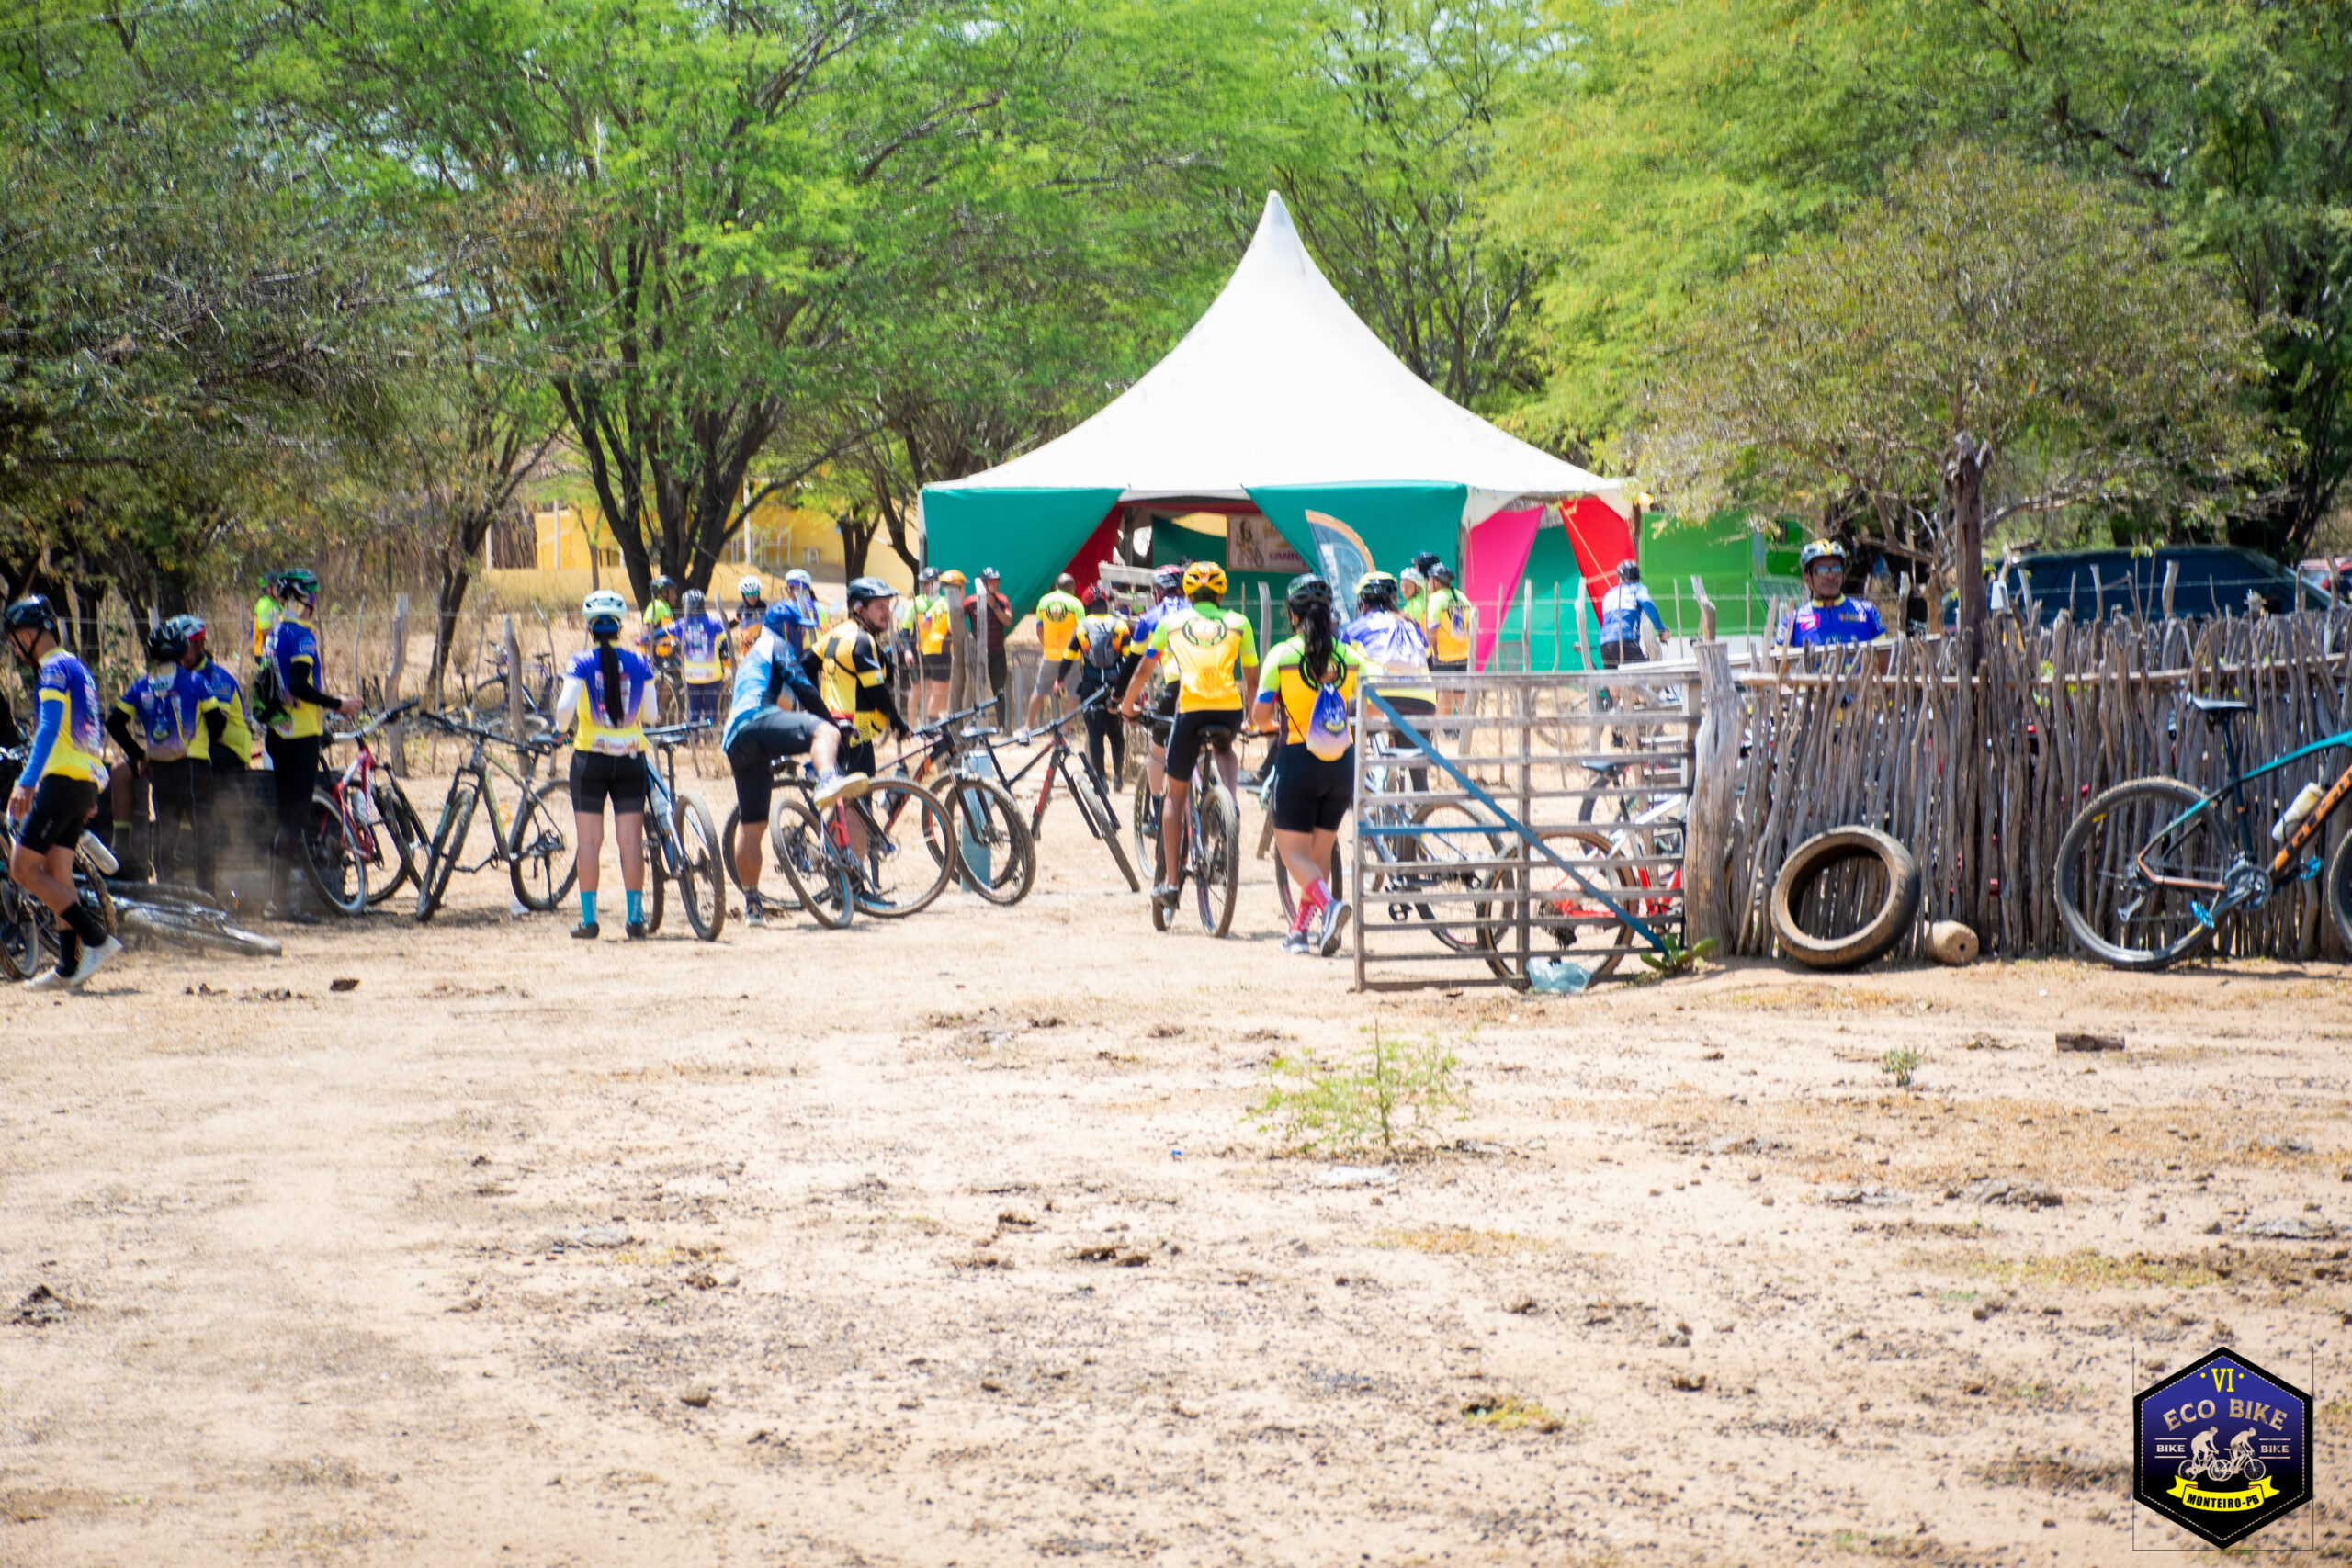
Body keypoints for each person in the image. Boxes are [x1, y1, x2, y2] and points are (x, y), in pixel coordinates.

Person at [1120, 561, 1257, 922]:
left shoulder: (1169, 623)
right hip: (1229, 709)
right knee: (1225, 748)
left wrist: (1127, 706)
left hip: (1190, 709)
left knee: (1174, 797)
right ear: (1222, 593)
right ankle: (1230, 802)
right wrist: (1255, 720)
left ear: (1187, 594)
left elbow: (1143, 670)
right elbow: (1253, 679)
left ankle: (1169, 881)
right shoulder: (1240, 623)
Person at [5, 596, 122, 989]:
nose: (15, 648)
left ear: (28, 634)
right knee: (58, 872)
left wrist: (27, 780)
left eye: (15, 639)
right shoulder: (78, 667)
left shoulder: (52, 668)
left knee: (23, 868)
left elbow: (49, 728)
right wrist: (93, 785)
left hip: (61, 780)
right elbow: (90, 730)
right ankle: (69, 968)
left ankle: (96, 939)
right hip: (83, 780)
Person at [723, 601, 860, 927]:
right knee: (824, 730)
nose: (803, 634)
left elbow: (789, 706)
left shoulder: (752, 661)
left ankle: (753, 906)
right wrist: (833, 725)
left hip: (736, 738)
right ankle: (828, 781)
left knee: (752, 826)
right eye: (799, 628)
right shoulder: (773, 642)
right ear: (785, 627)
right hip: (759, 720)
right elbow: (804, 689)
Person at [1251, 574, 1363, 956]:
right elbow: (1373, 706)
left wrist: (1270, 727)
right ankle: (1299, 931)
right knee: (1319, 854)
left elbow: (1260, 715)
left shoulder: (1282, 656)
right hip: (1342, 762)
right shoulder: (1350, 657)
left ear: (1292, 615)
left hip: (1299, 758)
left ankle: (1329, 906)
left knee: (1293, 854)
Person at [555, 589, 659, 940]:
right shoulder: (640, 662)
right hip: (631, 758)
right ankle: (634, 919)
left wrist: (559, 731)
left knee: (589, 843)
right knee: (631, 843)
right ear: (618, 626)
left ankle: (589, 921)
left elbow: (563, 711)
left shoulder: (580, 662)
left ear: (589, 626)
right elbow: (652, 714)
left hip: (590, 760)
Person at [262, 569, 362, 922]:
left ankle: (276, 900)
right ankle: (281, 903)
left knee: (286, 819)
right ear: (304, 601)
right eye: (313, 598)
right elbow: (302, 686)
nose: (315, 605)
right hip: (301, 736)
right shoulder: (302, 635)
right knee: (294, 819)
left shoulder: (274, 634)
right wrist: (339, 704)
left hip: (277, 734)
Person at [107, 623, 218, 888]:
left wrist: (138, 754)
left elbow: (113, 723)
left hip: (159, 769)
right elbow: (217, 725)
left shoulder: (141, 685)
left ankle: (166, 896)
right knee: (204, 835)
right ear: (182, 651)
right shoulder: (196, 681)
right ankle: (208, 898)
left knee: (164, 835)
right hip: (194, 767)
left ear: (152, 655)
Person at [809, 579, 913, 854]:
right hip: (854, 733)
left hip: (834, 729)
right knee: (858, 807)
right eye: (879, 607)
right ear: (859, 609)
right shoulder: (860, 641)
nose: (887, 613)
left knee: (846, 805)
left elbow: (805, 664)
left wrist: (816, 707)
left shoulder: (837, 633)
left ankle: (840, 868)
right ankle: (854, 882)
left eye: (888, 606)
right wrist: (898, 723)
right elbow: (877, 691)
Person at [174, 613, 253, 897]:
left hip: (228, 748)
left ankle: (191, 845)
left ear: (200, 644)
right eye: (175, 649)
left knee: (185, 770)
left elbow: (214, 730)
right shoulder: (177, 676)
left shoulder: (217, 679)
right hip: (201, 749)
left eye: (185, 648)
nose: (180, 655)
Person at [1114, 563, 1189, 837]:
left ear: (1157, 592)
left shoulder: (1152, 618)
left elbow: (1134, 667)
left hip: (1177, 686)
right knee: (1201, 748)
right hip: (1213, 690)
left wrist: (1120, 700)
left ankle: (1157, 816)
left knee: (1158, 750)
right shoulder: (1197, 613)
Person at [1073, 588, 1130, 784]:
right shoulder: (1120, 625)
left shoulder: (1082, 626)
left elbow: (1068, 656)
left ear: (1087, 606)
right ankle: (1119, 778)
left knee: (1095, 732)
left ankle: (1101, 779)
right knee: (1116, 733)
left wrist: (1059, 680)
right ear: (1106, 604)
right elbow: (1127, 658)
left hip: (1091, 686)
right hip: (1115, 687)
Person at [1022, 572, 1089, 739]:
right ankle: (1066, 729)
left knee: (1040, 689)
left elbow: (1039, 629)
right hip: (1071, 657)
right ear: (1072, 589)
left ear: (1057, 587)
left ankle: (1027, 727)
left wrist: (1047, 646)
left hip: (1050, 654)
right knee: (1074, 693)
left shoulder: (1043, 602)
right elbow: (1082, 631)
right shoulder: (1076, 604)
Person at [1783, 540, 1887, 648]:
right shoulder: (1793, 621)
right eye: (1822, 571)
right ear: (1807, 578)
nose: (1831, 576)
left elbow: (1883, 660)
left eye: (1836, 569)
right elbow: (1781, 663)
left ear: (1844, 575)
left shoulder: (1868, 612)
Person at [673, 588, 733, 728]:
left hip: (691, 675)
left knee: (693, 709)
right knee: (711, 710)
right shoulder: (714, 622)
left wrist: (642, 640)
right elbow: (726, 641)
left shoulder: (681, 624)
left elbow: (660, 633)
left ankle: (694, 739)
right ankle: (708, 740)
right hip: (712, 674)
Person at [966, 567, 1014, 726]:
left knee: (998, 690)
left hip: (997, 652)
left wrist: (994, 605)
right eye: (992, 581)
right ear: (984, 583)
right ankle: (974, 724)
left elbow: (1007, 621)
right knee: (975, 689)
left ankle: (1002, 725)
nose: (996, 584)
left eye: (997, 581)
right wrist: (967, 638)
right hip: (977, 654)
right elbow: (954, 620)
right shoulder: (971, 601)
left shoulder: (1002, 600)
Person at [1421, 562, 1471, 715]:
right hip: (1463, 654)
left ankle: (1447, 731)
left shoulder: (1436, 599)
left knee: (1444, 692)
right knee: (1462, 693)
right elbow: (1469, 628)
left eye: (1429, 580)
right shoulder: (1463, 598)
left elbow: (1433, 630)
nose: (1428, 583)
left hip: (1442, 655)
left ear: (1436, 581)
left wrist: (1424, 651)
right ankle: (1464, 729)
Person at [1598, 560, 1667, 669]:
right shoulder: (1637, 588)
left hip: (1605, 642)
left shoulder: (1609, 594)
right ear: (1637, 577)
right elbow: (1648, 604)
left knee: (1613, 681)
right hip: (1625, 639)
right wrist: (1661, 630)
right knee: (1645, 674)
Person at [920, 570, 960, 716]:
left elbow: (924, 622)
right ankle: (931, 728)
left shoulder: (939, 603)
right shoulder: (950, 603)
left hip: (932, 648)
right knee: (939, 692)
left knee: (943, 690)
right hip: (940, 650)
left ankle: (938, 724)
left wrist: (936, 632)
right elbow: (951, 626)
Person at [732, 575, 768, 658]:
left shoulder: (763, 606)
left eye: (755, 593)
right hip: (747, 650)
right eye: (748, 594)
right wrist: (726, 626)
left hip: (763, 648)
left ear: (759, 593)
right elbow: (737, 620)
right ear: (744, 595)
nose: (752, 597)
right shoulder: (741, 608)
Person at [249, 577, 279, 673]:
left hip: (274, 651)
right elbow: (265, 631)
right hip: (265, 653)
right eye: (277, 586)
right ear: (269, 589)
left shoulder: (274, 603)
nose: (280, 589)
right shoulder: (265, 604)